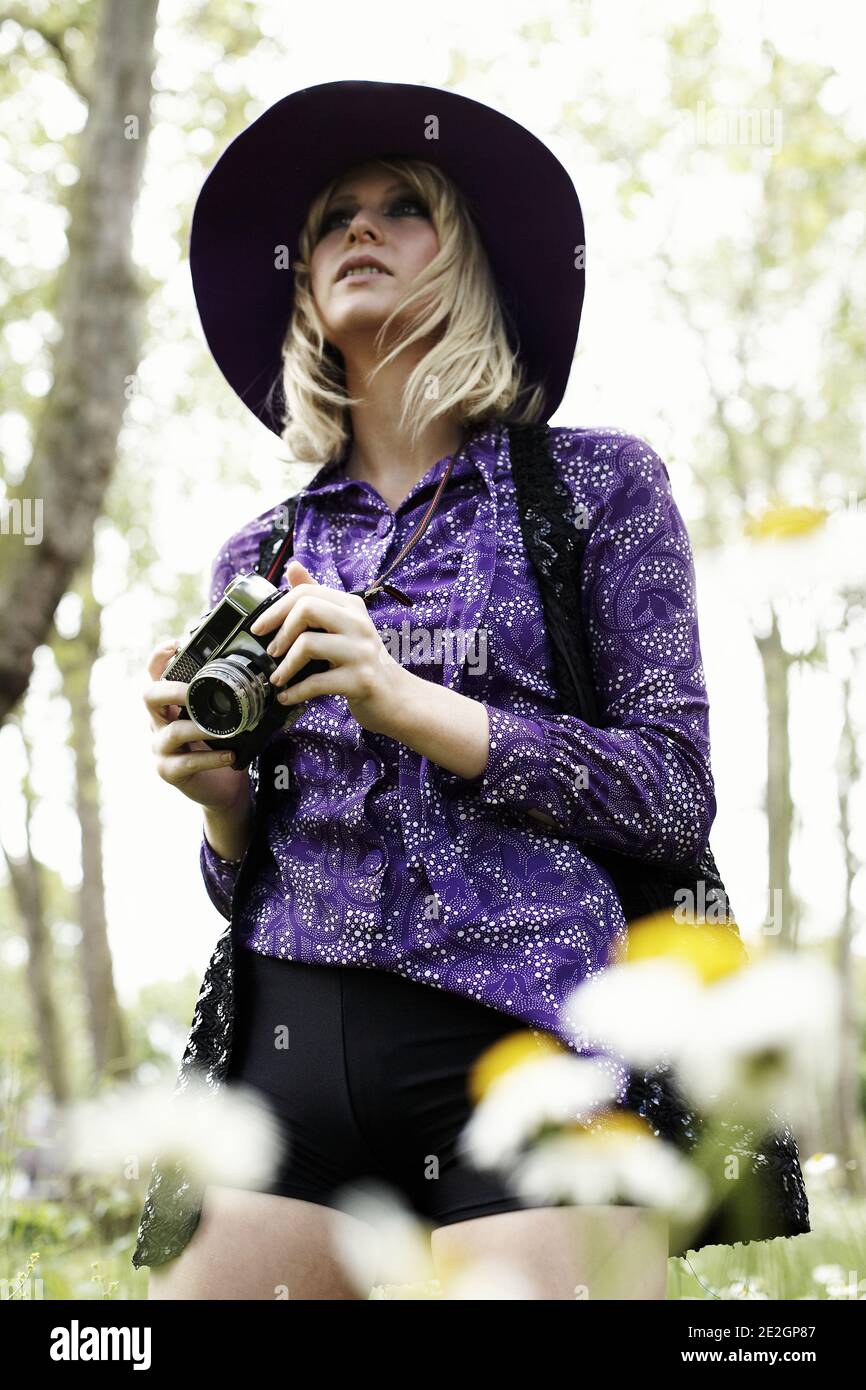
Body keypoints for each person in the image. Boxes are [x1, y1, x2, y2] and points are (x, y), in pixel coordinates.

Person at [139, 82, 728, 1299]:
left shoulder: (596, 491)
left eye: (401, 206)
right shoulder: (254, 555)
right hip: (285, 1054)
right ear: (303, 287)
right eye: (332, 220)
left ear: (464, 258)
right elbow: (242, 871)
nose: (358, 229)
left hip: (530, 1043)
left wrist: (404, 699)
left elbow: (670, 797)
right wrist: (217, 802)